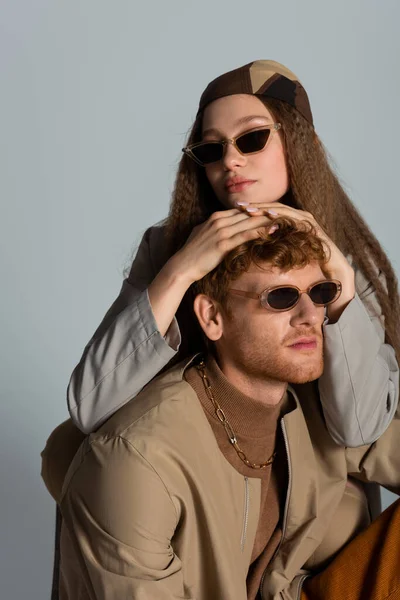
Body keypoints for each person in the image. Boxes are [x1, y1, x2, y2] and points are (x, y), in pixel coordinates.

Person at [55, 219, 400, 600]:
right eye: (281, 297)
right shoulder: (138, 460)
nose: (310, 316)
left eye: (319, 293)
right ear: (212, 318)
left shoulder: (317, 410)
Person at [66, 60, 399, 446]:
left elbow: (359, 427)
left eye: (252, 139)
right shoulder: (166, 248)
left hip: (317, 495)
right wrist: (180, 272)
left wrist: (340, 285)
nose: (230, 160)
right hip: (199, 474)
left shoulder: (347, 258)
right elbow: (88, 405)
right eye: (212, 149)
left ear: (303, 143)